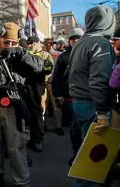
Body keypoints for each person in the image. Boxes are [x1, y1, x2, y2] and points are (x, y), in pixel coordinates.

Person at [0, 23, 52, 187]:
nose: (9, 46)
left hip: (14, 106)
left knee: (16, 146)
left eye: (13, 43)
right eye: (6, 42)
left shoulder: (22, 55)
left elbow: (44, 66)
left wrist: (21, 53)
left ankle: (21, 181)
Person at [69, 5, 116, 187]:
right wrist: (103, 112)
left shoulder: (80, 42)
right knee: (95, 161)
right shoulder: (100, 43)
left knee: (86, 155)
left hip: (80, 103)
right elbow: (98, 81)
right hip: (93, 105)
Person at [52, 27, 84, 166]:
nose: (75, 41)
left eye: (78, 39)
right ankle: (76, 153)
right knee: (74, 128)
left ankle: (86, 155)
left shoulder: (87, 52)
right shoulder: (63, 56)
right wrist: (58, 94)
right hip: (70, 97)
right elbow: (57, 76)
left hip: (87, 96)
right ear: (69, 41)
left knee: (85, 128)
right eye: (73, 39)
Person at [25, 36, 53, 152]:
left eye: (32, 43)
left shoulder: (46, 55)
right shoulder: (26, 54)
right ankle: (30, 138)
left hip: (39, 87)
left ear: (38, 43)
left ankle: (38, 139)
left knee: (38, 114)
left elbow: (48, 69)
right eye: (28, 43)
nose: (30, 45)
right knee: (27, 114)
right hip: (27, 87)